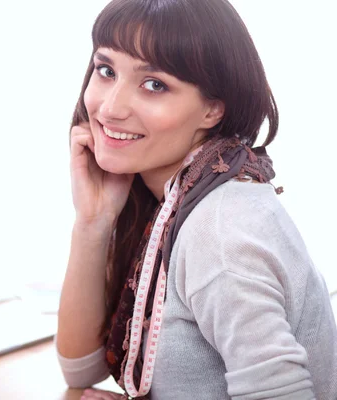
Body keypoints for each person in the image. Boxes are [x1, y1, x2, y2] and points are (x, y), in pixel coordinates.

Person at [56, 0, 337, 399]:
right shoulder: (179, 196)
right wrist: (93, 222)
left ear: (212, 109)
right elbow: (81, 368)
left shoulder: (220, 232)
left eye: (154, 84)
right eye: (106, 70)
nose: (110, 107)